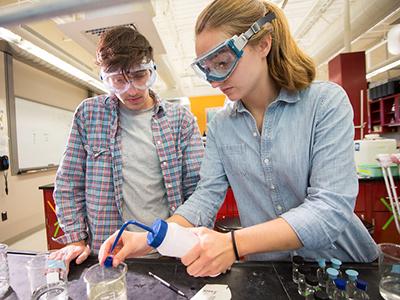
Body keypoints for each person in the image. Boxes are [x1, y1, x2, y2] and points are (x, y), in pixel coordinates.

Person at [99, 0, 379, 276]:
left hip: (347, 267)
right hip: (272, 271)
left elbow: (329, 209)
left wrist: (233, 244)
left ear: (263, 44)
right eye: (207, 68)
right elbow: (205, 197)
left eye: (222, 62)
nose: (215, 79)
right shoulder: (221, 126)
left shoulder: (325, 103)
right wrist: (149, 238)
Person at [53, 25, 204, 266]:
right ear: (105, 79)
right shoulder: (88, 114)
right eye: (118, 80)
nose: (131, 90)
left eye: (138, 76)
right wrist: (76, 239)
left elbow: (198, 189)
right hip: (106, 252)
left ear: (152, 70)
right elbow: (69, 182)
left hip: (165, 253)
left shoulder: (180, 120)